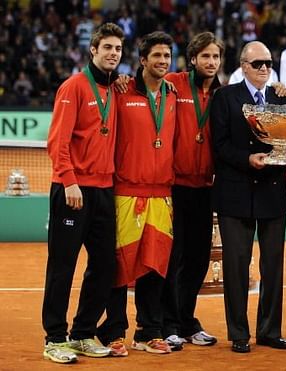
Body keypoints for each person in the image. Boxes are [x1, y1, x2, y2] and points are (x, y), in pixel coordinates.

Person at [42, 22, 124, 364]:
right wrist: (69, 180)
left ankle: (82, 333)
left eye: (118, 49)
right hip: (73, 190)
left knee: (105, 266)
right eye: (107, 48)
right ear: (93, 50)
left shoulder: (117, 89)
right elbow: (57, 141)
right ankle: (55, 339)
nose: (113, 54)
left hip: (105, 191)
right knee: (62, 266)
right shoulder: (74, 86)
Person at [96, 31, 177, 356]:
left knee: (155, 265)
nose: (162, 62)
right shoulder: (121, 90)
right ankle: (114, 331)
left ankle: (148, 331)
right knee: (121, 264)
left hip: (162, 194)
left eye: (166, 56)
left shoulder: (171, 95)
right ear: (143, 60)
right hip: (126, 192)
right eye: (156, 56)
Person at [210, 41, 286, 353]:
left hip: (271, 193)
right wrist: (248, 159)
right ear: (243, 66)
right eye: (257, 64)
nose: (264, 69)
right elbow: (219, 146)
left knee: (273, 266)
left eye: (268, 63)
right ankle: (239, 333)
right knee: (235, 265)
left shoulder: (279, 97)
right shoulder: (225, 97)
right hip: (235, 192)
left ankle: (269, 331)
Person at [161, 31, 223, 350]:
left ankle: (186, 319)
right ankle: (168, 323)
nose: (211, 62)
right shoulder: (172, 83)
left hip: (205, 188)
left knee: (199, 260)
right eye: (206, 56)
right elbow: (143, 87)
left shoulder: (223, 95)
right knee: (174, 257)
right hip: (174, 187)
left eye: (216, 57)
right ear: (194, 59)